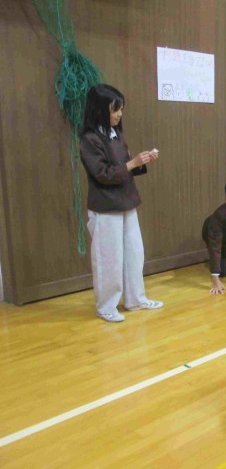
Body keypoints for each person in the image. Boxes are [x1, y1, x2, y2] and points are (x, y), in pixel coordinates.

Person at [80, 84, 163, 323]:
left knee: (134, 254)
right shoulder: (90, 139)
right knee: (109, 259)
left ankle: (135, 299)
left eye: (121, 109)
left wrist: (140, 161)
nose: (119, 114)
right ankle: (106, 306)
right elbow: (103, 174)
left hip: (126, 203)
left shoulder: (115, 134)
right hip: (106, 208)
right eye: (115, 110)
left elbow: (124, 168)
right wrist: (132, 163)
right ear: (99, 110)